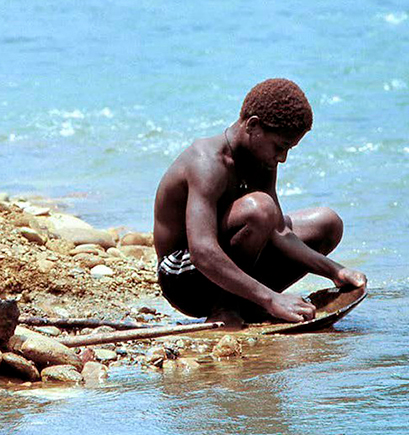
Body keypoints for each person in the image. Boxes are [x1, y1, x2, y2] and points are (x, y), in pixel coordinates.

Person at [154, 78, 366, 327]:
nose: (283, 158)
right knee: (260, 209)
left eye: (290, 149)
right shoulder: (207, 163)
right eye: (280, 147)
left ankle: (247, 304)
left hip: (223, 265)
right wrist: (271, 299)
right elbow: (202, 252)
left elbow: (279, 231)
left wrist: (336, 272)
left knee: (327, 223)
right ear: (253, 125)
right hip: (184, 279)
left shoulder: (262, 159)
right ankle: (225, 308)